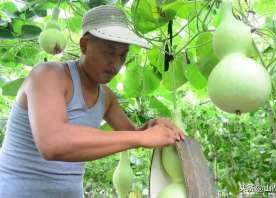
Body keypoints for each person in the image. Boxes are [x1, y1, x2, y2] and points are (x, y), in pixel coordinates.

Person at [0, 5, 185, 198]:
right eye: (109, 51)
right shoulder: (48, 75)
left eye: (123, 55)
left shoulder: (106, 97)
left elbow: (132, 136)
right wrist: (141, 137)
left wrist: (149, 128)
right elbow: (51, 143)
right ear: (84, 45)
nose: (116, 64)